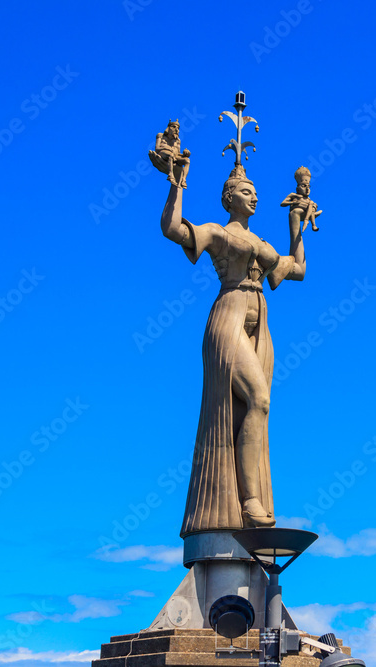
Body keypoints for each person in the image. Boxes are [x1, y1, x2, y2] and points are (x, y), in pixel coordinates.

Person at [157, 158, 305, 534]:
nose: (253, 197)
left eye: (255, 192)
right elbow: (173, 229)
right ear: (228, 198)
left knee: (255, 411)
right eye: (245, 191)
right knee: (258, 400)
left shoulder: (262, 244)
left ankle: (249, 496)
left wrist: (296, 224)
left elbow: (297, 270)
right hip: (230, 315)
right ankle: (250, 502)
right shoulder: (218, 234)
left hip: (261, 326)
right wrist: (177, 182)